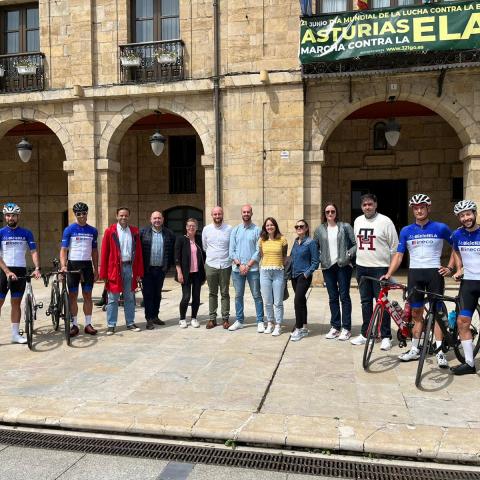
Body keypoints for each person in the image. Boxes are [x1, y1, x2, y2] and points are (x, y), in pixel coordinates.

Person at [382, 194, 453, 369]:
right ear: (413, 210)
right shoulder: (406, 230)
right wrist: (389, 273)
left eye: (422, 207)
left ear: (428, 208)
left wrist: (450, 268)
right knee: (416, 313)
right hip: (415, 274)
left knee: (436, 312)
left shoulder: (440, 227)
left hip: (434, 273)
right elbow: (399, 255)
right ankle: (414, 348)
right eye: (415, 208)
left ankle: (439, 351)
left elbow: (457, 247)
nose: (419, 210)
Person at [351, 193, 398, 350]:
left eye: (370, 204)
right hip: (362, 267)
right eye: (364, 205)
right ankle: (366, 334)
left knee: (382, 302)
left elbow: (395, 248)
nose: (367, 207)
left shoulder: (385, 221)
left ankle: (386, 336)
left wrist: (390, 271)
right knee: (365, 302)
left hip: (380, 268)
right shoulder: (358, 221)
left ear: (376, 204)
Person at [0, 203, 42, 344]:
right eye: (7, 215)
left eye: (13, 215)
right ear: (5, 216)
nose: (10, 217)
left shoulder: (26, 233)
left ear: (18, 216)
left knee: (16, 303)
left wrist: (37, 268)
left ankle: (15, 335)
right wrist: (7, 271)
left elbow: (33, 251)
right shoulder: (1, 233)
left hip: (20, 271)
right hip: (3, 271)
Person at [314, 203, 356, 341]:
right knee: (333, 298)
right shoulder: (320, 230)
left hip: (343, 265)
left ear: (336, 213)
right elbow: (315, 247)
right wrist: (320, 257)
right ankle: (335, 327)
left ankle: (346, 328)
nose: (330, 214)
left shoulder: (345, 227)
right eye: (327, 212)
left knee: (344, 296)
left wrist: (349, 255)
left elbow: (356, 244)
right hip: (328, 267)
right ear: (324, 214)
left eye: (332, 211)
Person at [100, 207, 143, 335]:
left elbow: (139, 253)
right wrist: (103, 273)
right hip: (115, 268)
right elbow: (104, 253)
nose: (123, 218)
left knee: (130, 297)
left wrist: (139, 273)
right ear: (116, 216)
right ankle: (111, 325)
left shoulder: (134, 232)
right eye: (121, 215)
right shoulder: (110, 231)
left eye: (126, 215)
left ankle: (130, 322)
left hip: (130, 267)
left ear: (129, 216)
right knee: (113, 298)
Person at [450, 200, 480, 375]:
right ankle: (469, 363)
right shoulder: (457, 235)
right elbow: (456, 251)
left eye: (468, 214)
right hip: (468, 283)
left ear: (474, 214)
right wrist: (459, 268)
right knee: (462, 322)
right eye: (462, 215)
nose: (466, 218)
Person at [60, 202, 99, 337]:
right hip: (73, 265)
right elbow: (64, 250)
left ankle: (88, 324)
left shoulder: (93, 230)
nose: (82, 216)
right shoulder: (69, 230)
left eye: (84, 213)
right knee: (73, 296)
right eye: (78, 214)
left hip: (87, 266)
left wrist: (96, 268)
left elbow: (94, 251)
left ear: (87, 213)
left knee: (88, 295)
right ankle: (74, 325)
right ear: (75, 215)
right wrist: (63, 266)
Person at [228, 204, 264, 332]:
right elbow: (231, 251)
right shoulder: (235, 230)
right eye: (244, 212)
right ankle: (239, 321)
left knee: (257, 295)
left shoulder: (257, 230)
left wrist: (248, 265)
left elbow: (259, 250)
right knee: (238, 296)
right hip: (237, 269)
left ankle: (260, 321)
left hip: (252, 269)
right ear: (241, 214)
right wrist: (239, 265)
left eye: (248, 212)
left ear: (251, 213)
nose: (246, 214)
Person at [140, 211, 176, 330]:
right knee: (148, 294)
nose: (157, 220)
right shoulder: (143, 233)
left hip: (161, 269)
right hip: (147, 269)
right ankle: (149, 318)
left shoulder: (169, 233)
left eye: (159, 218)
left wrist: (169, 266)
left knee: (157, 294)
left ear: (163, 219)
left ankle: (155, 316)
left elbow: (172, 251)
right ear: (151, 220)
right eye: (155, 218)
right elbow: (139, 252)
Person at [202, 206, 232, 329]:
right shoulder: (206, 229)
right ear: (212, 215)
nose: (217, 216)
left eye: (219, 214)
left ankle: (225, 319)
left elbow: (232, 246)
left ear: (222, 214)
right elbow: (205, 246)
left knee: (225, 293)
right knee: (212, 293)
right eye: (215, 214)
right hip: (211, 265)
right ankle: (212, 319)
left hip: (225, 264)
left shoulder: (229, 229)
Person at [290, 219, 319, 342]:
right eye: (297, 226)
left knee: (297, 301)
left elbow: (315, 262)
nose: (299, 228)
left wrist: (306, 274)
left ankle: (298, 328)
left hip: (304, 276)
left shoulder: (311, 242)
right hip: (294, 276)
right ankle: (305, 327)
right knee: (301, 301)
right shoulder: (296, 242)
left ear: (307, 228)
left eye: (301, 226)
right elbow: (291, 257)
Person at [259, 217, 288, 336]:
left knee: (278, 301)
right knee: (267, 301)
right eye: (267, 225)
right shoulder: (262, 240)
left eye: (271, 225)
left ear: (275, 226)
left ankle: (278, 325)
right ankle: (270, 323)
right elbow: (262, 255)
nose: (269, 227)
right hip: (265, 272)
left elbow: (285, 257)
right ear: (265, 228)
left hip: (278, 272)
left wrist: (279, 265)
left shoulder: (282, 239)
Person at [175, 218, 206, 328]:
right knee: (186, 297)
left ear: (197, 227)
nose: (191, 228)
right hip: (186, 273)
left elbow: (204, 254)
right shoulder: (181, 239)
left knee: (196, 297)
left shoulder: (199, 239)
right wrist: (179, 273)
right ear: (186, 227)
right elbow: (177, 257)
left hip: (197, 273)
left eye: (193, 226)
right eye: (189, 226)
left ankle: (194, 318)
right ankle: (182, 318)